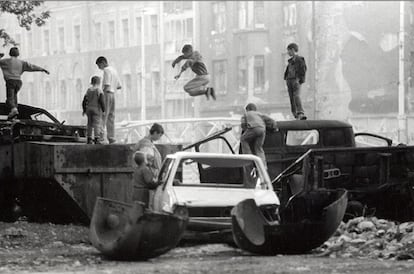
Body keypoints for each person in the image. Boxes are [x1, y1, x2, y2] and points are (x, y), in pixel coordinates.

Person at [0, 47, 49, 120]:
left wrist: (0, 56)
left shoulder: (5, 61)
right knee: (14, 97)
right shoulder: (22, 63)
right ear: (18, 54)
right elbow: (32, 67)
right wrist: (42, 69)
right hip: (18, 82)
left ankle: (14, 110)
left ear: (10, 53)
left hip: (10, 81)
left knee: (10, 98)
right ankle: (14, 112)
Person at [95, 56, 121, 144]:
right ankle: (111, 137)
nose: (100, 68)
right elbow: (119, 86)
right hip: (113, 95)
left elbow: (106, 84)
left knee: (103, 115)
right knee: (111, 117)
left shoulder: (106, 70)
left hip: (107, 94)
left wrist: (101, 93)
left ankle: (101, 137)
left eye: (99, 66)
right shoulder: (114, 70)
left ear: (103, 63)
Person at [240, 103, 272, 167]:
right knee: (259, 148)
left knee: (243, 139)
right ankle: (263, 166)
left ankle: (248, 158)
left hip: (253, 128)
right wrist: (274, 128)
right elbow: (269, 120)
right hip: (262, 130)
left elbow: (243, 124)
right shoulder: (259, 114)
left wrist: (245, 130)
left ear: (248, 109)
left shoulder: (246, 114)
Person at [284, 43, 307, 120]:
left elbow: (303, 70)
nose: (288, 53)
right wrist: (286, 78)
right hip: (289, 80)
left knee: (296, 96)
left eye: (289, 51)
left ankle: (300, 112)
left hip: (295, 80)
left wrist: (300, 80)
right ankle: (295, 114)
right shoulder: (290, 61)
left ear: (293, 50)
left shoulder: (300, 59)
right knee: (291, 98)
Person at [82, 76, 106, 144]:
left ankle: (89, 138)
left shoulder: (88, 90)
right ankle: (97, 138)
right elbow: (102, 101)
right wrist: (104, 110)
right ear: (98, 82)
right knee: (96, 124)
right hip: (96, 110)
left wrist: (84, 110)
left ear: (91, 82)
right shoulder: (99, 90)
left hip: (89, 109)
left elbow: (84, 101)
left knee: (89, 124)